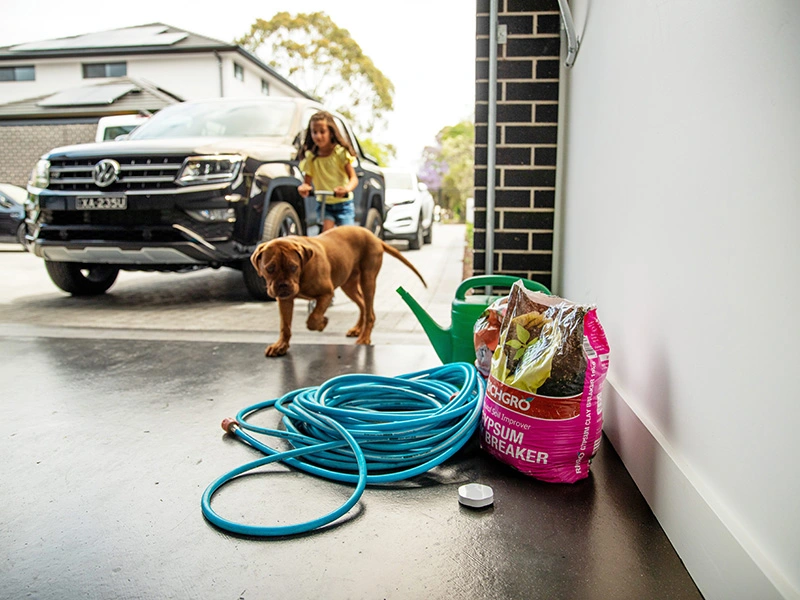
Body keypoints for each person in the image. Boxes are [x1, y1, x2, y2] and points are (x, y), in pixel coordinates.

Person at [297, 111, 359, 232]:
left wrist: (346, 189)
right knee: (327, 235)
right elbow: (307, 183)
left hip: (343, 204)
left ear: (331, 132)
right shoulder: (311, 157)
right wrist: (304, 188)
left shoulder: (340, 153)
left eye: (322, 132)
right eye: (314, 132)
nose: (318, 136)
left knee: (348, 235)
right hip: (325, 205)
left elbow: (353, 178)